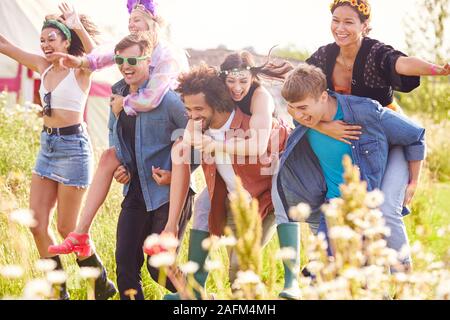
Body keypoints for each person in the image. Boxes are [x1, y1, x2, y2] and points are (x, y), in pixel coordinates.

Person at [303, 0, 449, 269]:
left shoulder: (375, 52)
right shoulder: (323, 57)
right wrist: (324, 127)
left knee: (385, 210)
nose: (340, 27)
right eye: (336, 20)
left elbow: (402, 64)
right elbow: (298, 97)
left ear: (365, 26)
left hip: (392, 136)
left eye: (349, 22)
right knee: (351, 210)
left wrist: (436, 70)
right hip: (358, 145)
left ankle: (404, 275)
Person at [48, 0, 189, 262]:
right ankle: (80, 233)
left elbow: (152, 98)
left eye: (136, 19)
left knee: (160, 268)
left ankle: (171, 238)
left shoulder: (168, 55)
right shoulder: (132, 51)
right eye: (129, 20)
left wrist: (122, 105)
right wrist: (77, 59)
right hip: (141, 129)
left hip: (170, 133)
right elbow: (101, 56)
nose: (131, 24)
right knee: (108, 157)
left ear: (153, 21)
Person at [0, 4, 116, 299]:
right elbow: (5, 45)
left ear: (66, 42)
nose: (45, 44)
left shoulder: (81, 70)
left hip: (73, 149)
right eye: (42, 39)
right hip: (47, 147)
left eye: (52, 38)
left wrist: (77, 24)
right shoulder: (43, 66)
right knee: (36, 223)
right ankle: (58, 290)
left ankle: (99, 281)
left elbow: (101, 58)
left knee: (67, 227)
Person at [164, 51, 301, 299]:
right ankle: (195, 290)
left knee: (282, 198)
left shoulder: (260, 98)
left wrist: (216, 145)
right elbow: (187, 139)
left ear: (251, 78)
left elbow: (257, 146)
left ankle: (292, 283)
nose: (237, 88)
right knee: (204, 202)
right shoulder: (208, 104)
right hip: (238, 189)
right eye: (231, 82)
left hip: (273, 176)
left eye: (243, 81)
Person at [273, 63, 426, 275]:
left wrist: (413, 182)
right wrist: (322, 126)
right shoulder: (305, 119)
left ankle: (405, 285)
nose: (298, 115)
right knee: (328, 277)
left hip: (364, 208)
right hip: (333, 208)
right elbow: (300, 116)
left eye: (303, 108)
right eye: (293, 108)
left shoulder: (365, 112)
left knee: (365, 277)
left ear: (324, 97)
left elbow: (415, 136)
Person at [94, 33, 192, 300]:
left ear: (148, 60)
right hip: (135, 192)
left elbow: (195, 143)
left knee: (159, 268)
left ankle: (201, 300)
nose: (125, 65)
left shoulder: (168, 99)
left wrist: (176, 174)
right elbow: (114, 137)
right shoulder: (117, 94)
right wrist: (120, 167)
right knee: (125, 264)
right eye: (120, 60)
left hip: (166, 195)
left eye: (132, 59)